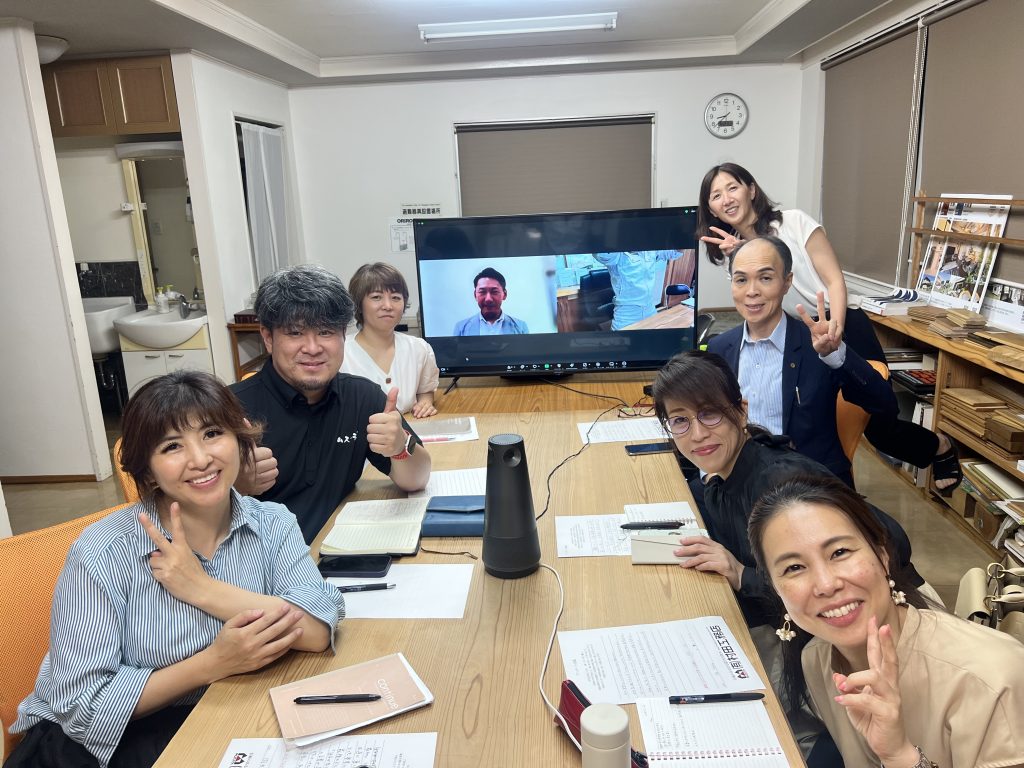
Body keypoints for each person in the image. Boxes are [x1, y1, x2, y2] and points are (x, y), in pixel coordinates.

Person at [6, 371, 342, 768]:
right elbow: (82, 707)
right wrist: (214, 663)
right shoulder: (103, 551)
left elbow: (317, 630)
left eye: (212, 433)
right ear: (148, 471)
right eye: (172, 446)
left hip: (221, 714)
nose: (200, 459)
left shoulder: (272, 523)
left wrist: (201, 588)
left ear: (241, 440)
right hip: (97, 746)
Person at [651, 350, 924, 765]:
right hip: (803, 627)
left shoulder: (779, 481)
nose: (698, 434)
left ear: (740, 410)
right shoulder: (721, 477)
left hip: (866, 640)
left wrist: (741, 574)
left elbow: (892, 541)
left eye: (710, 414)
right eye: (680, 421)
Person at [697, 162, 962, 492]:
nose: (726, 199)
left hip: (840, 322)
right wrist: (741, 254)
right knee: (807, 416)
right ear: (712, 209)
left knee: (880, 426)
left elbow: (835, 280)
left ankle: (939, 447)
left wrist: (834, 330)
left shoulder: (793, 222)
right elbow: (761, 305)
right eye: (716, 195)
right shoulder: (736, 253)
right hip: (798, 336)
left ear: (751, 190)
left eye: (732, 188)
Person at [749, 475, 1024, 768]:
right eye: (794, 567)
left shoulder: (992, 679)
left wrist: (899, 756)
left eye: (839, 552)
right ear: (776, 590)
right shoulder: (816, 660)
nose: (826, 585)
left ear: (882, 556)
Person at [232, 264, 431, 543]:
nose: (313, 348)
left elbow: (417, 479)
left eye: (326, 332)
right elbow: (182, 516)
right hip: (262, 563)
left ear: (342, 336)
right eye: (295, 333)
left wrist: (400, 446)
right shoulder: (229, 409)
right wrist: (234, 486)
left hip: (337, 550)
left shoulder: (362, 397)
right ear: (268, 338)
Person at [707, 236, 898, 486]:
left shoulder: (817, 344)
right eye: (741, 280)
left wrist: (836, 355)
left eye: (765, 278)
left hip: (806, 486)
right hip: (740, 482)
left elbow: (885, 404)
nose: (752, 291)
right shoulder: (720, 348)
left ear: (787, 282)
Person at [341, 262, 440, 418]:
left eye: (395, 298)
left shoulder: (418, 348)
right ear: (358, 304)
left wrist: (425, 403)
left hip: (408, 429)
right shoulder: (340, 353)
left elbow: (425, 390)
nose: (388, 306)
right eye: (376, 297)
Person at [592, 249, 683, 330]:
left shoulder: (649, 250)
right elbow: (601, 254)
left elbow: (674, 252)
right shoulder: (617, 255)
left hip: (650, 308)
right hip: (627, 314)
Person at [452, 267, 529, 335]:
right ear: (475, 295)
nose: (488, 299)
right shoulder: (461, 329)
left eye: (494, 291)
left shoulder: (521, 327)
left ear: (504, 294)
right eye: (482, 292)